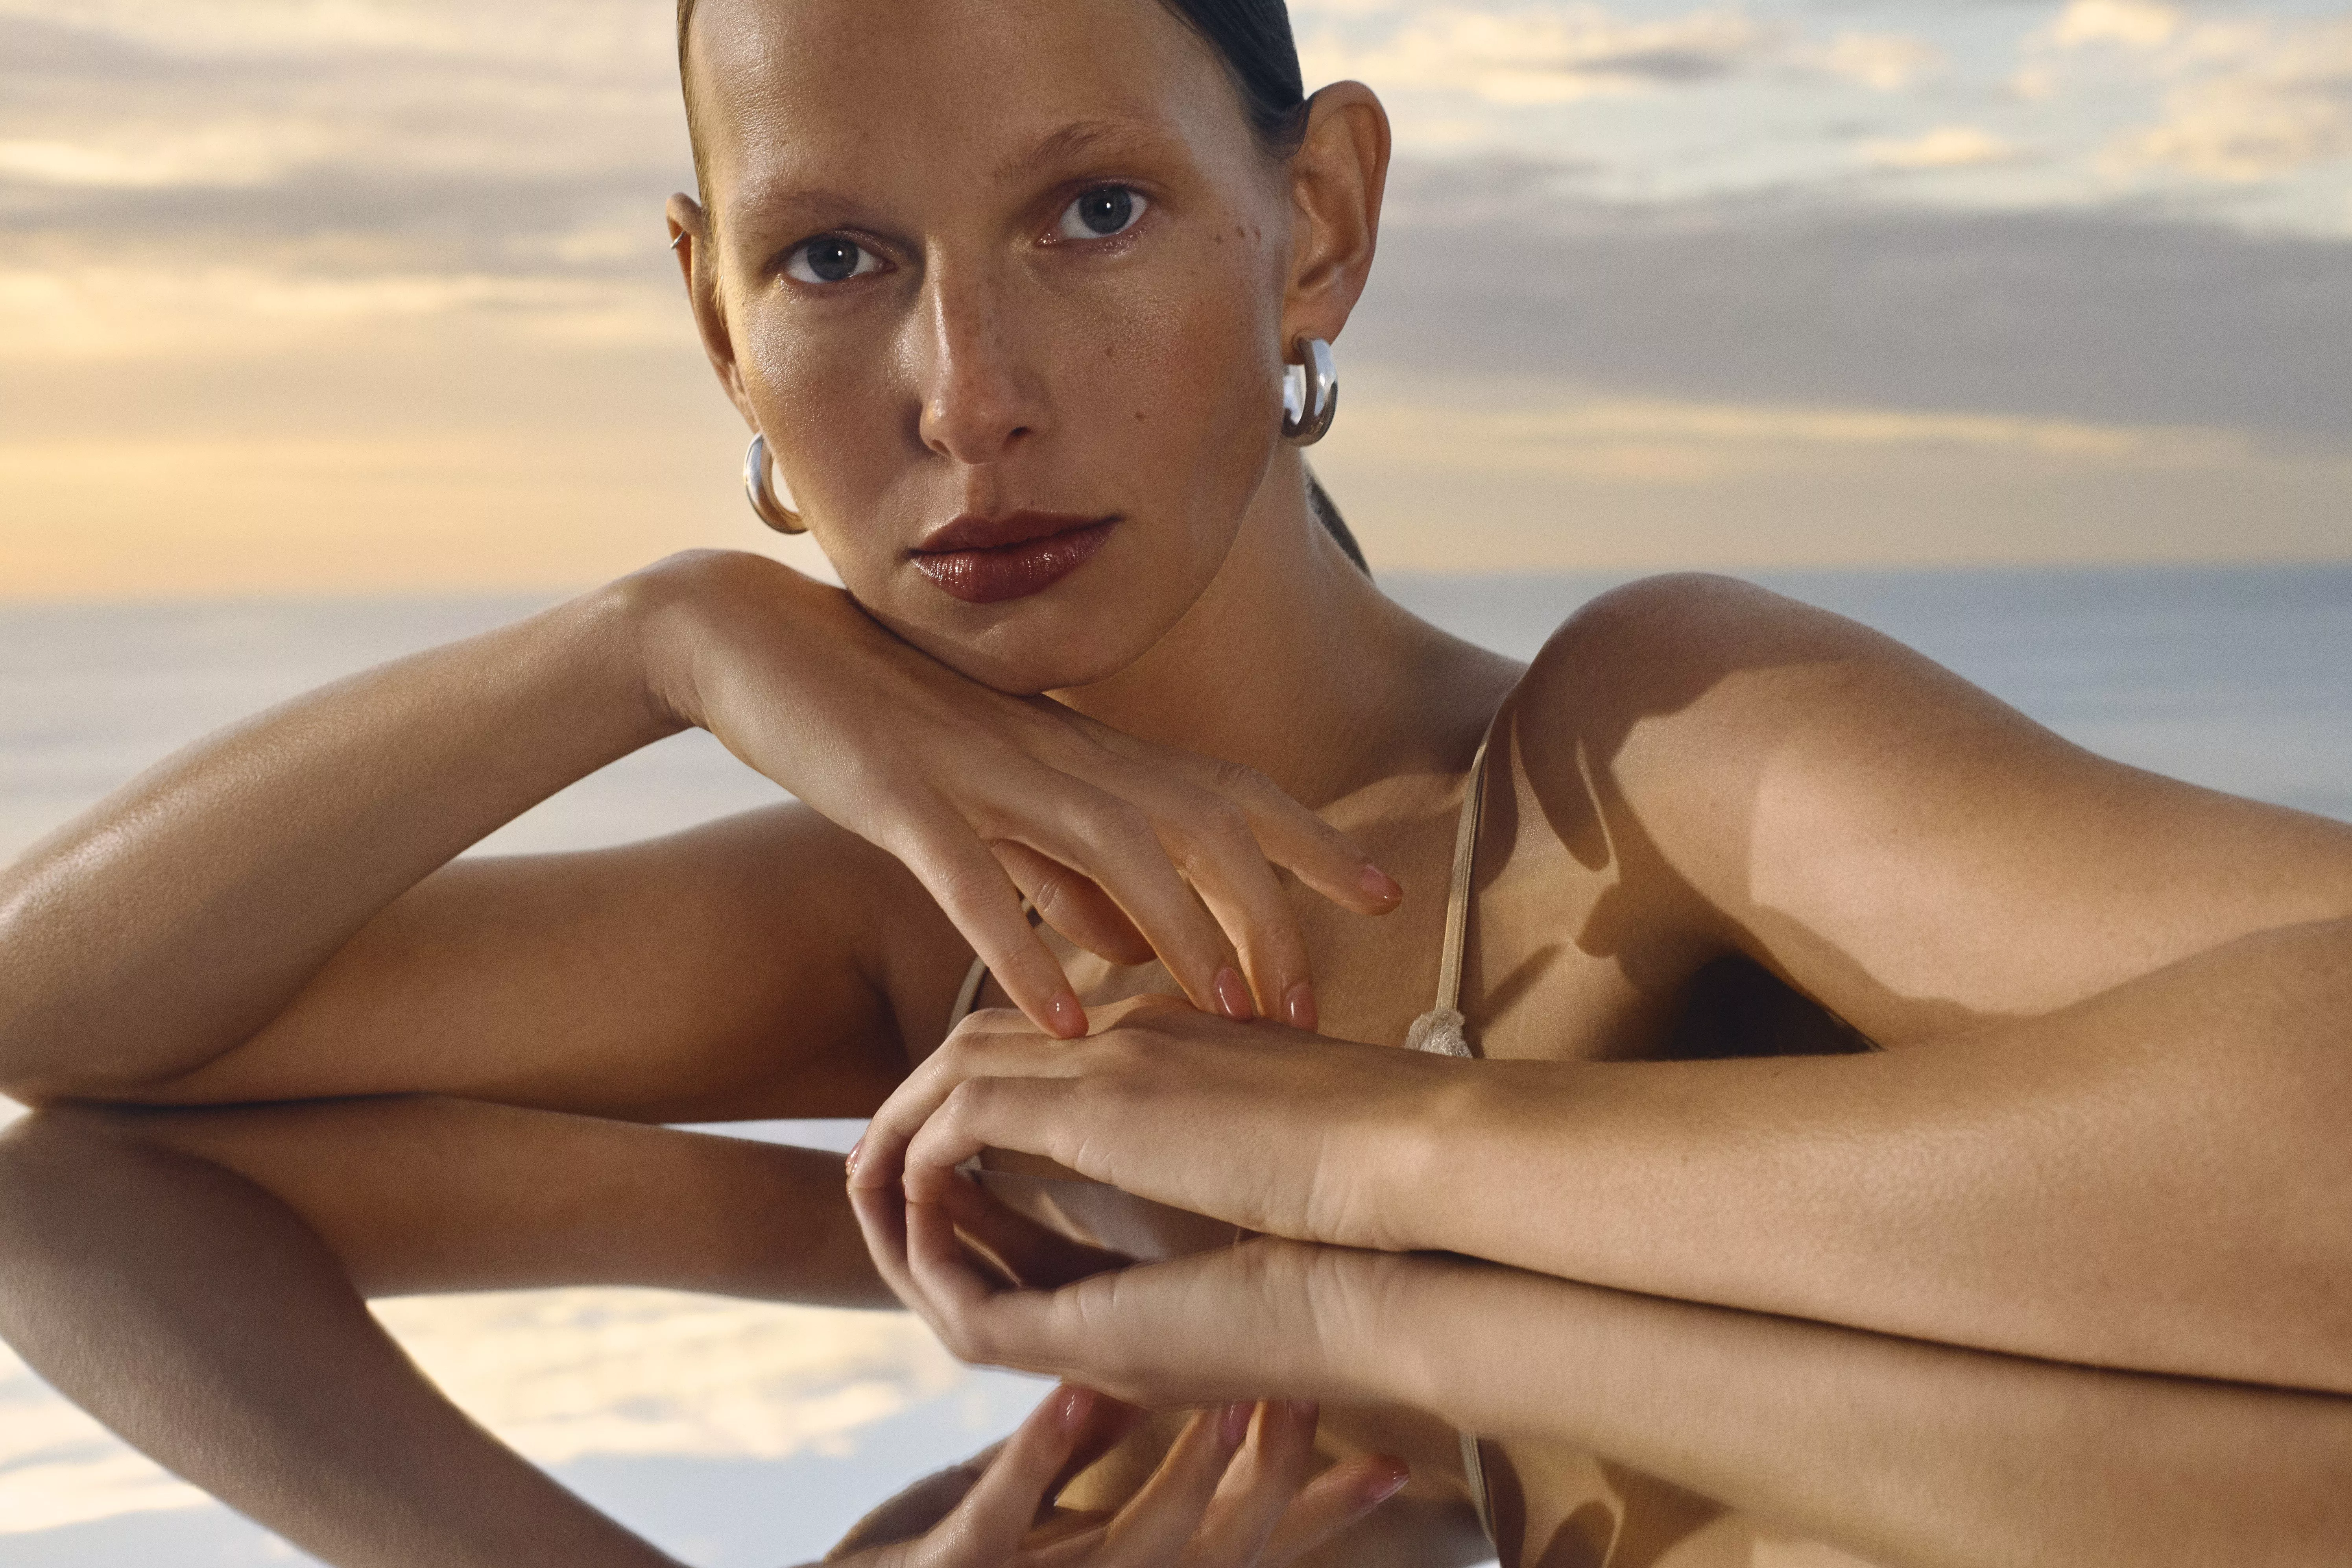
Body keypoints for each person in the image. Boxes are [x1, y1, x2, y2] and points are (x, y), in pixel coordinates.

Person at [0, 0, 2347, 1562]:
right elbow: (63, 1137)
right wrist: (660, 640)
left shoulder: (1640, 775)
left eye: (1093, 213)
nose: (965, 391)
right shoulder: (925, 964)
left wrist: (1352, 1189)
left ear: (1311, 225)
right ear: (718, 314)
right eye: (834, 258)